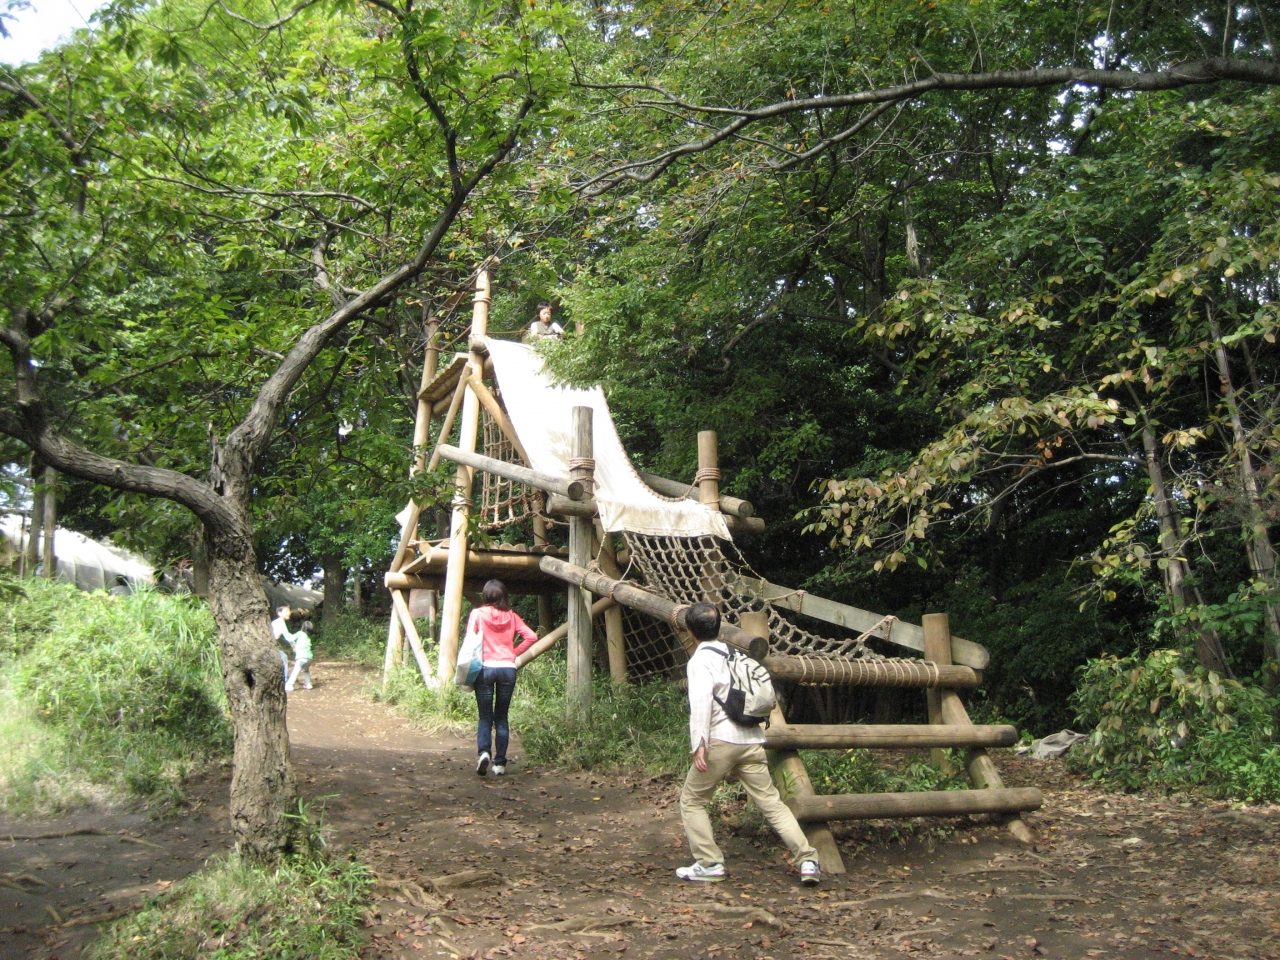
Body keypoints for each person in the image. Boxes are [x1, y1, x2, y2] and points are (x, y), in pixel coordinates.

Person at [677, 601, 821, 885]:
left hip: (720, 741)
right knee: (772, 804)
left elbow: (701, 705)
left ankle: (709, 863)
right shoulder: (733, 655)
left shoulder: (699, 661)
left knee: (692, 801)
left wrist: (699, 745)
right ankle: (808, 861)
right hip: (751, 739)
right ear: (718, 628)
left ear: (691, 632)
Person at [469, 579, 538, 776]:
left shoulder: (478, 614)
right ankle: (499, 763)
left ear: (486, 596)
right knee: (501, 716)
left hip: (485, 668)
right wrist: (514, 653)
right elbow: (531, 636)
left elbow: (470, 641)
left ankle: (483, 752)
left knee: (485, 716)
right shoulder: (512, 616)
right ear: (503, 596)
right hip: (508, 668)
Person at [286, 619, 315, 692]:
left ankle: (289, 685)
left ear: (302, 627)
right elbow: (298, 648)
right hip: (309, 658)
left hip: (301, 658)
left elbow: (290, 638)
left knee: (296, 671)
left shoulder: (300, 633)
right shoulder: (307, 638)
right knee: (306, 670)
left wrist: (286, 634)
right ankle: (308, 684)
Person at [270, 605, 293, 685]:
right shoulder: (280, 622)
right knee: (284, 657)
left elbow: (286, 635)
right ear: (279, 613)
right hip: (270, 645)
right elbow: (288, 636)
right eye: (286, 611)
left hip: (272, 644)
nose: (289, 613)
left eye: (289, 611)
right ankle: (286, 680)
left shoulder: (279, 621)